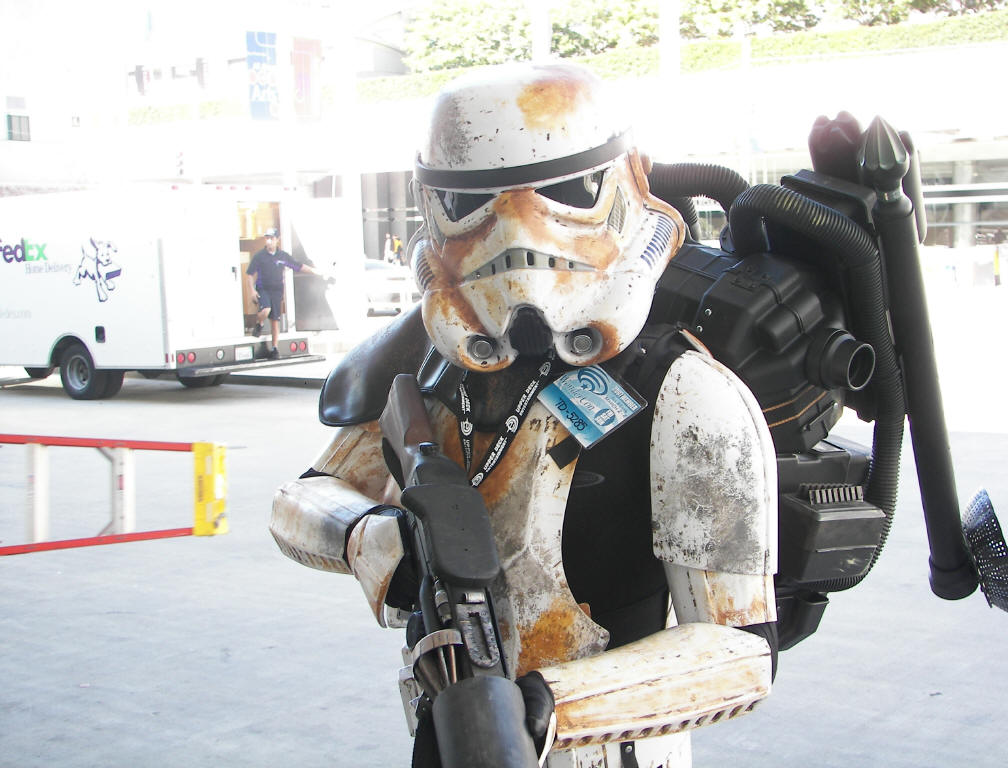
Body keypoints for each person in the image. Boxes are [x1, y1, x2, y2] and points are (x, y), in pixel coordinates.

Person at [270, 62, 777, 767]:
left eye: (564, 192)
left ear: (628, 183)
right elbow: (302, 498)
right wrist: (368, 537)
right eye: (472, 203)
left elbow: (740, 650)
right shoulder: (436, 368)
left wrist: (547, 708)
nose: (514, 232)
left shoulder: (684, 390)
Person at [246, 227, 323, 358]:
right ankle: (259, 323)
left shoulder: (282, 256)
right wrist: (252, 291)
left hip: (277, 291)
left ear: (277, 239)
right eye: (267, 238)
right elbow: (249, 274)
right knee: (266, 310)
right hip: (263, 289)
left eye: (271, 238)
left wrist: (315, 271)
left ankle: (274, 348)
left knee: (275, 320)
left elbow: (298, 266)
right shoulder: (259, 256)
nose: (269, 241)